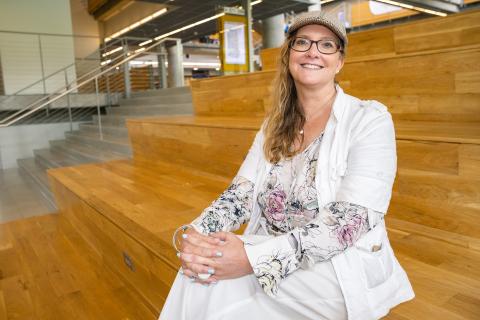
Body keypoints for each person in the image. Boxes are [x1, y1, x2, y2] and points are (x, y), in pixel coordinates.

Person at [160, 10, 414, 320]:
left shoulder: (369, 120)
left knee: (214, 284)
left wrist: (253, 259)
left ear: (340, 61)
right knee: (201, 271)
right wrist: (196, 237)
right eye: (303, 42)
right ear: (289, 55)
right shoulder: (273, 126)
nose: (313, 52)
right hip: (267, 249)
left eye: (326, 45)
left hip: (334, 267)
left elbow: (350, 221)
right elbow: (240, 194)